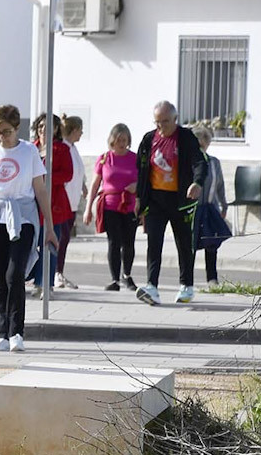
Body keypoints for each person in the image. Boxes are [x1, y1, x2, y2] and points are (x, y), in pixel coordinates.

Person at [0, 105, 58, 352]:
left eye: (6, 132)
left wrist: (49, 226)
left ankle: (17, 331)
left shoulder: (29, 152)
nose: (1, 137)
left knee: (14, 275)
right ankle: (2, 333)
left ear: (17, 128)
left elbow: (40, 190)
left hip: (23, 218)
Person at [134, 101, 207, 305]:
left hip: (180, 200)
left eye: (165, 121)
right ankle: (152, 286)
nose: (161, 126)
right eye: (157, 122)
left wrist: (197, 182)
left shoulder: (185, 138)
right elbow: (141, 171)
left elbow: (199, 162)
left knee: (184, 244)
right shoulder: (149, 139)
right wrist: (139, 198)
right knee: (153, 242)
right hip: (156, 201)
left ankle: (186, 286)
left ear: (175, 119)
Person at [84, 123, 139, 291]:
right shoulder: (104, 159)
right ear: (112, 140)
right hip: (110, 205)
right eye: (119, 139)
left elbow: (145, 181)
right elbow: (95, 185)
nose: (122, 143)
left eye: (125, 140)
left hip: (130, 205)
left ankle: (127, 275)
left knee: (128, 242)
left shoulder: (135, 158)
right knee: (113, 242)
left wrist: (136, 186)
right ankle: (115, 279)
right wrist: (88, 208)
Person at [29, 113, 73, 298]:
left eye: (48, 127)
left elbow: (67, 174)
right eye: (40, 127)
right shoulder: (31, 148)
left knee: (50, 243)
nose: (44, 130)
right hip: (32, 202)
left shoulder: (61, 149)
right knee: (33, 244)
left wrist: (46, 178)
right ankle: (36, 282)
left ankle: (47, 284)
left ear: (56, 129)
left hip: (53, 201)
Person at [191, 125, 229, 286]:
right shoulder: (189, 162)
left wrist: (223, 205)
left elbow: (219, 185)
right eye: (198, 140)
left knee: (211, 242)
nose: (202, 143)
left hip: (210, 207)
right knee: (190, 244)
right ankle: (187, 280)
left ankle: (212, 278)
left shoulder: (214, 162)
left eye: (204, 140)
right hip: (192, 209)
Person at [58, 115, 87, 289]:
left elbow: (76, 172)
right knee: (61, 238)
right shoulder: (64, 148)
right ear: (74, 130)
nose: (81, 133)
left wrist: (83, 186)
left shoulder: (73, 149)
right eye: (80, 130)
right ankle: (56, 272)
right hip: (63, 202)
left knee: (65, 238)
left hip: (72, 202)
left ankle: (59, 271)